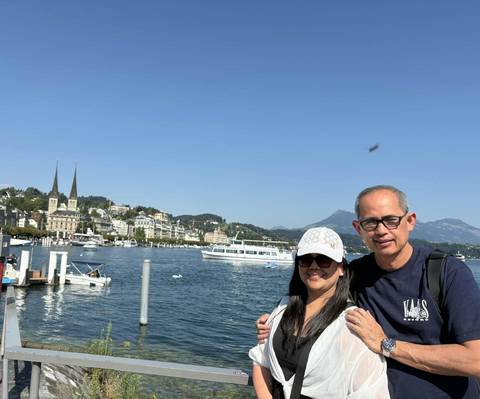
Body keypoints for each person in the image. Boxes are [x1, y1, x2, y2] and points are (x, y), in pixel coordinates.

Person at [249, 227, 389, 399]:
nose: (314, 266)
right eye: (306, 259)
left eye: (324, 260)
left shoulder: (350, 323)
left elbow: (370, 391)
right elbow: (261, 359)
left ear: (341, 269)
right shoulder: (283, 307)